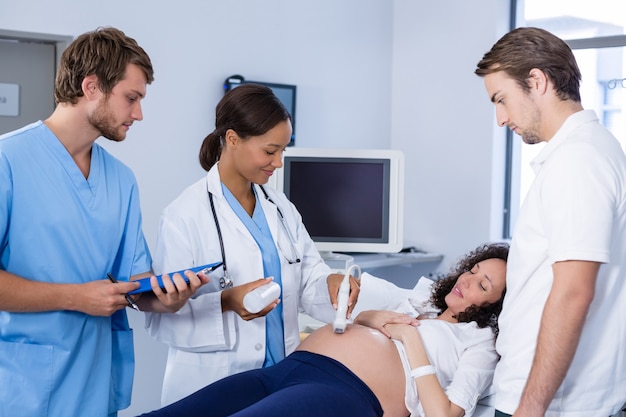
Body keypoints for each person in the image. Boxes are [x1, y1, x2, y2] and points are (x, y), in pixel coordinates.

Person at [0, 27, 207, 417]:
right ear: (91, 86)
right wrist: (76, 297)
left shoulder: (121, 179)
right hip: (21, 388)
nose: (139, 114)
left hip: (95, 385)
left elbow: (133, 284)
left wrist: (167, 299)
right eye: (132, 98)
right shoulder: (8, 162)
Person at [144, 83, 361, 405]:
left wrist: (330, 281)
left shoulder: (280, 207)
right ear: (233, 139)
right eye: (271, 151)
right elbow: (164, 313)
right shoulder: (184, 215)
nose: (279, 162)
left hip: (281, 375)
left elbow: (307, 275)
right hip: (215, 379)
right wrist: (226, 301)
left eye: (283, 150)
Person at [137, 242, 509, 417]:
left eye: (483, 285)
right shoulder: (422, 304)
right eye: (473, 270)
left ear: (496, 307)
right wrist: (370, 318)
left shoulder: (479, 343)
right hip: (286, 371)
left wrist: (411, 340)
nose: (468, 280)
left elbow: (445, 415)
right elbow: (366, 326)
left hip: (346, 393)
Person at [475, 27, 626, 417]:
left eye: (501, 99)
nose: (500, 117)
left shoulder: (578, 161)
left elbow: (574, 292)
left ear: (537, 81)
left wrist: (530, 407)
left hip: (552, 404)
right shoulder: (592, 151)